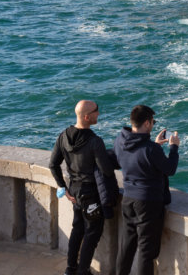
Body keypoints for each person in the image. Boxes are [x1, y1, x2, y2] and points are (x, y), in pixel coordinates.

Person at [49, 100, 117, 275]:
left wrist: (63, 187)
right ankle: (83, 271)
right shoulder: (95, 141)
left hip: (75, 192)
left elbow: (53, 165)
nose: (99, 114)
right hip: (91, 194)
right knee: (92, 234)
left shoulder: (63, 136)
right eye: (96, 111)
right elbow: (107, 170)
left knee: (77, 229)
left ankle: (70, 269)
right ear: (87, 116)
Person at [113, 105, 180, 275]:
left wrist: (154, 145)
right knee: (146, 251)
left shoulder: (120, 141)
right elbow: (170, 169)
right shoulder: (151, 149)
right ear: (147, 123)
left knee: (127, 245)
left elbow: (135, 157)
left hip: (128, 199)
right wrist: (174, 148)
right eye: (153, 122)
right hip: (148, 204)